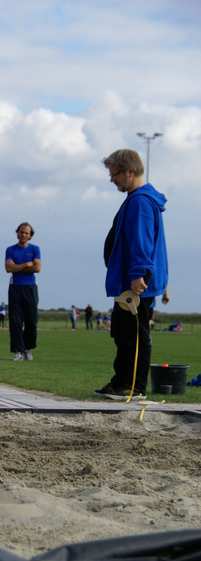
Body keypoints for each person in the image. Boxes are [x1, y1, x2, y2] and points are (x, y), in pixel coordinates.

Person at [94, 149, 168, 401]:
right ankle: (121, 381)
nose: (112, 179)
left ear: (130, 172)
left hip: (134, 284)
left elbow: (142, 241)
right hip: (126, 282)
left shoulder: (141, 202)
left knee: (135, 335)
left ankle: (135, 387)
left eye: (114, 174)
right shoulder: (136, 199)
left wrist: (138, 274)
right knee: (121, 333)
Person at [5, 222, 41, 361]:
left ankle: (27, 348)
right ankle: (18, 352)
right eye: (21, 232)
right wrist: (26, 264)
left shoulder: (35, 249)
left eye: (26, 233)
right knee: (15, 321)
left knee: (31, 320)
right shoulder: (10, 250)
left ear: (30, 235)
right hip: (15, 287)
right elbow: (8, 268)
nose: (23, 235)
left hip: (30, 286)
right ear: (17, 232)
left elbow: (37, 268)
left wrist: (17, 267)